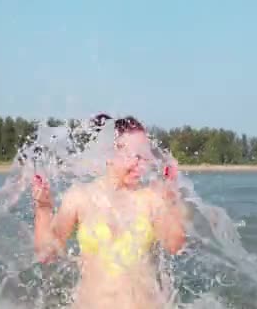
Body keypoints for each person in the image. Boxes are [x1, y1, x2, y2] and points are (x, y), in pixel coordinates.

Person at [31, 114, 187, 309]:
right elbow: (47, 253)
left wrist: (172, 197)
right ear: (109, 153)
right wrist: (43, 208)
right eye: (135, 156)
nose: (142, 165)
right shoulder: (80, 197)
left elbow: (175, 244)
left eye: (144, 157)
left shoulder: (150, 199)